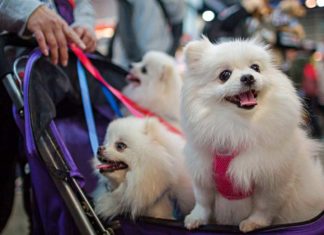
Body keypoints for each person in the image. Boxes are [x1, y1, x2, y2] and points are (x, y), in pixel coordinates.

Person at [0, 0, 96, 233]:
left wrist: (84, 24)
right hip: (8, 70)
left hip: (55, 81)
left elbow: (82, 4)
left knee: (50, 189)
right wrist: (27, 9)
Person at [110, 0, 185, 68]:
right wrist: (169, 56)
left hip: (131, 64)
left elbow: (126, 30)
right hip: (160, 58)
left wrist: (139, 63)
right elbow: (178, 28)